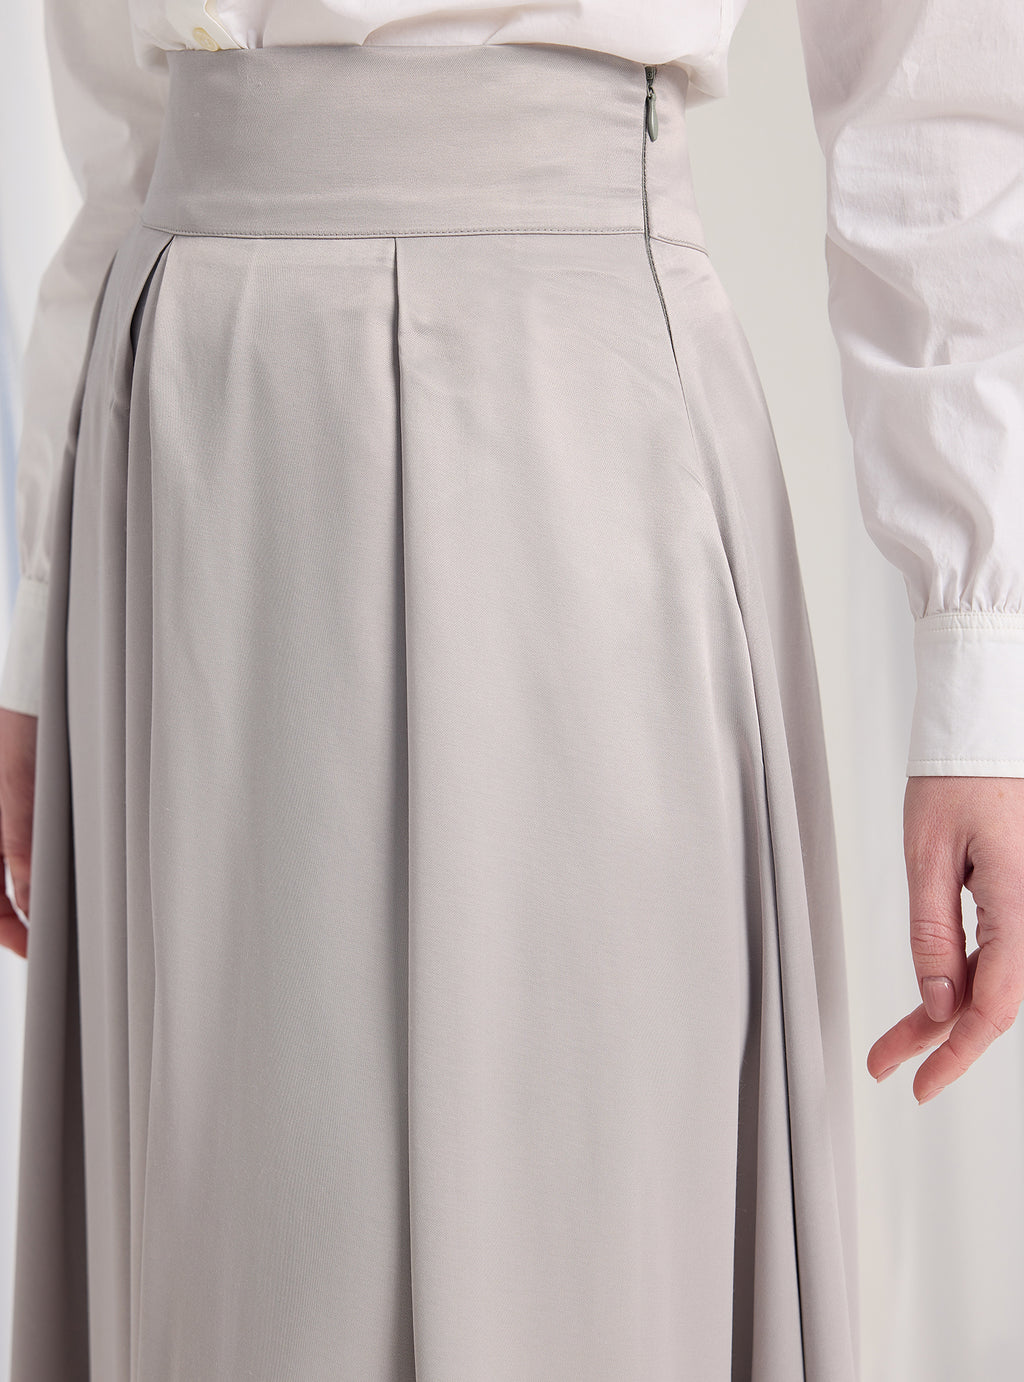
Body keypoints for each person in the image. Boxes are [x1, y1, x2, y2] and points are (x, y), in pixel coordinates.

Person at [0, 2, 1022, 1379]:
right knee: (244, 1272)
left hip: (587, 404)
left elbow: (927, 67)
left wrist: (979, 657)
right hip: (198, 426)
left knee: (595, 1244)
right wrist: (37, 621)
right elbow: (120, 124)